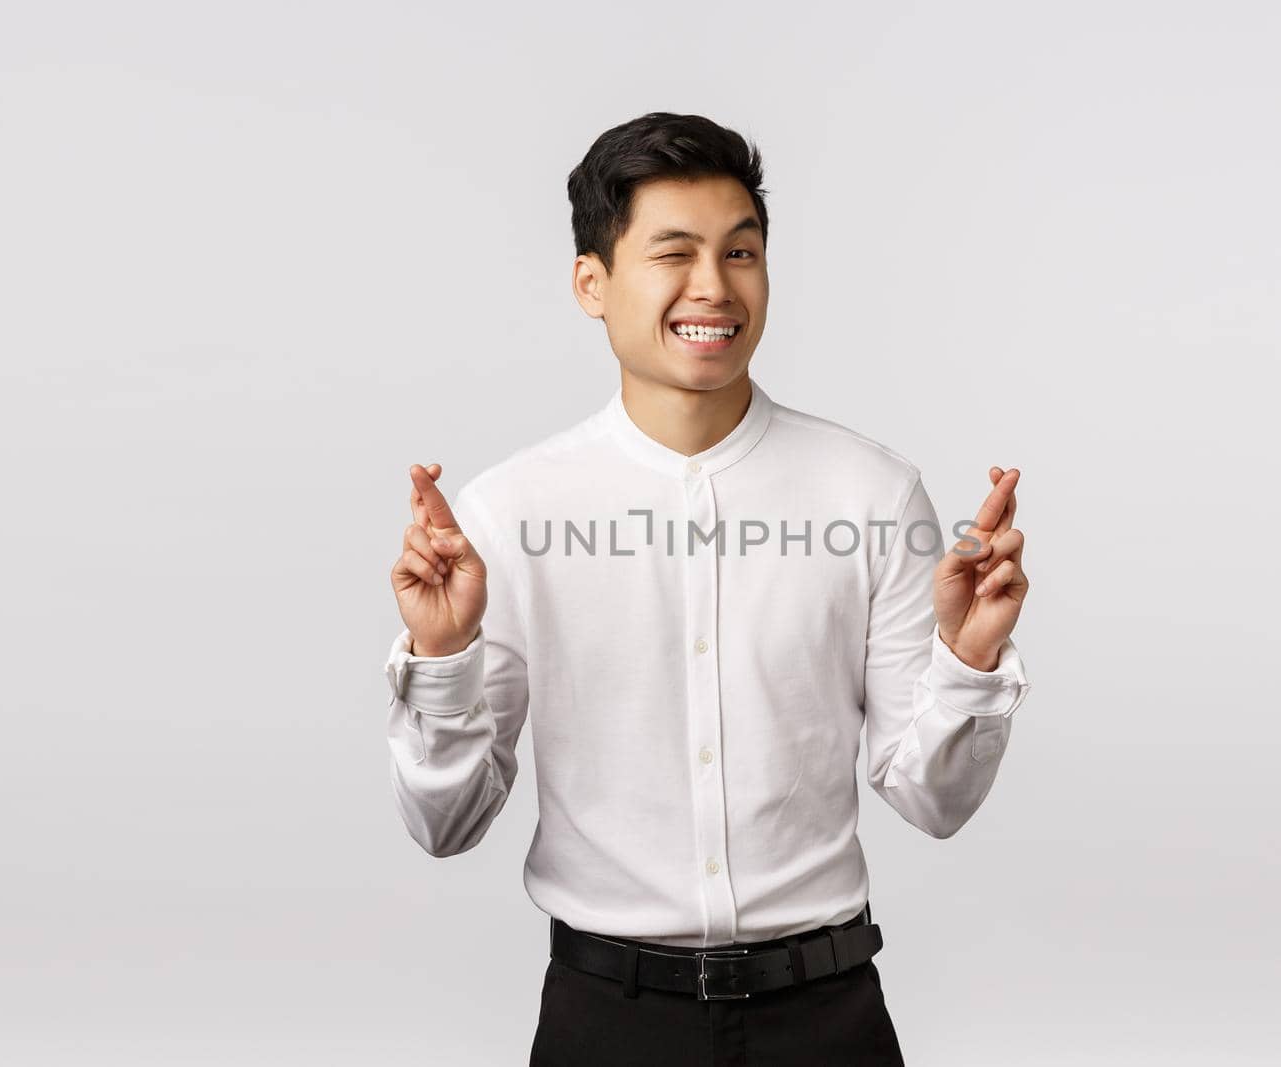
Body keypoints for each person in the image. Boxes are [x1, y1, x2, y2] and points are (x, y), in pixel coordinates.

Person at [384, 112, 1032, 1066]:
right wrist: (441, 658)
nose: (714, 287)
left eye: (742, 251)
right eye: (673, 253)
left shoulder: (871, 491)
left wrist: (968, 661)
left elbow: (934, 802)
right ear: (591, 283)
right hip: (607, 1020)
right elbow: (448, 824)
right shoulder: (509, 513)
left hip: (829, 1017)